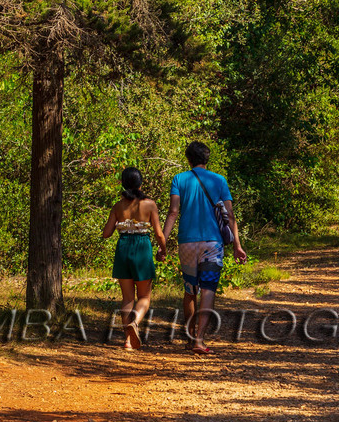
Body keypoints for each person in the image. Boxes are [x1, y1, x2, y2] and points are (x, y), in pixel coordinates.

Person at [161, 141, 247, 355]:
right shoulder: (219, 180)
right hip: (212, 242)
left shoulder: (179, 179)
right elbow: (229, 215)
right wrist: (237, 245)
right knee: (208, 289)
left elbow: (173, 212)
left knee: (190, 290)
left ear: (188, 159)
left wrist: (162, 243)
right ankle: (199, 340)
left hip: (187, 242)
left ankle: (189, 338)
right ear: (207, 159)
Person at [101, 166, 166, 350]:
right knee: (144, 296)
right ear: (141, 183)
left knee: (127, 298)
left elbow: (106, 234)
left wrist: (118, 222)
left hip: (123, 248)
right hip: (142, 248)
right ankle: (135, 321)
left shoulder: (118, 206)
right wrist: (163, 250)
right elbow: (159, 234)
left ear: (122, 183)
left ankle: (128, 341)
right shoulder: (150, 204)